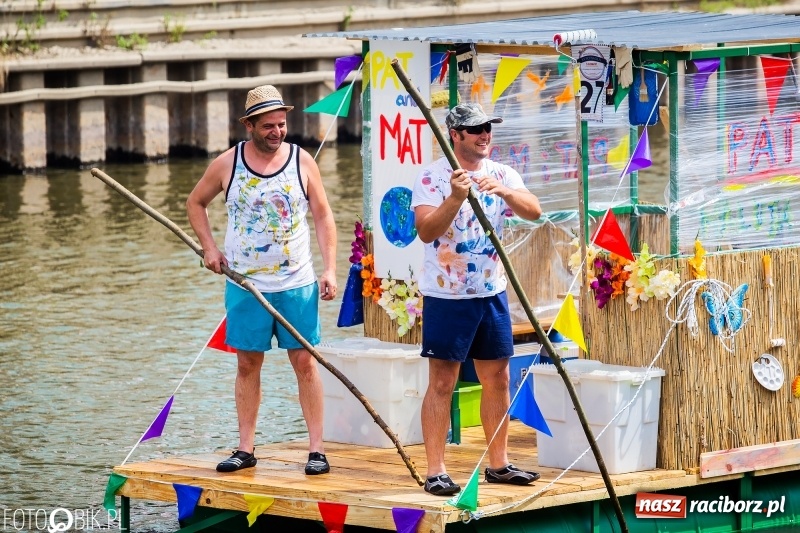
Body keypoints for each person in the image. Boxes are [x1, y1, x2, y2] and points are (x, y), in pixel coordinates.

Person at [186, 85, 337, 475]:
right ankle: (245, 448)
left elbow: (323, 215)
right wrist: (209, 248)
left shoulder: (302, 161)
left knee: (304, 362)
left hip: (297, 283)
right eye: (268, 125)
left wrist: (330, 269)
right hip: (245, 285)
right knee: (247, 364)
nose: (277, 132)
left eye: (281, 124)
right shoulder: (227, 164)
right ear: (249, 125)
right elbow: (195, 203)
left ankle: (317, 450)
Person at [410, 102, 543, 496]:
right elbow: (425, 232)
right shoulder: (432, 177)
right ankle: (435, 471)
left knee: (498, 378)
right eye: (476, 129)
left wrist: (505, 191)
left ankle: (498, 464)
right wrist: (455, 197)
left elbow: (534, 211)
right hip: (447, 295)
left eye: (488, 127)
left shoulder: (502, 173)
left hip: (491, 291)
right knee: (442, 382)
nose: (485, 134)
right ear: (455, 135)